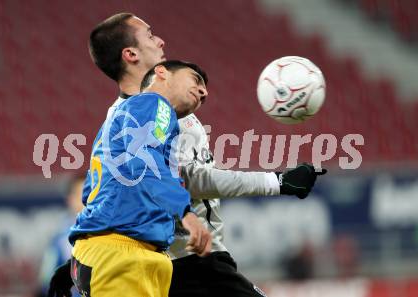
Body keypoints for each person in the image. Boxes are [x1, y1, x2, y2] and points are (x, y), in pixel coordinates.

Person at [48, 13, 326, 297]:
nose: (160, 40)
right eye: (150, 34)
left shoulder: (119, 115)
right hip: (185, 258)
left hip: (151, 258)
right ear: (131, 54)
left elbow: (102, 191)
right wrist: (276, 182)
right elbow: (172, 173)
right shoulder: (154, 109)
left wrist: (82, 250)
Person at [67, 59, 211, 297]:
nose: (203, 92)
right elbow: (144, 160)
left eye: (205, 92)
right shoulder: (153, 102)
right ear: (162, 72)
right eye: (196, 80)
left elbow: (91, 190)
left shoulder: (126, 115)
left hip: (119, 252)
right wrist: (185, 212)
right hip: (122, 254)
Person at [37, 174, 85, 297]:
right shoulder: (60, 240)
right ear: (70, 199)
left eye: (91, 193)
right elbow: (46, 280)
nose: (87, 199)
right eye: (81, 194)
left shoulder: (111, 233)